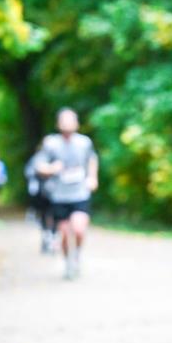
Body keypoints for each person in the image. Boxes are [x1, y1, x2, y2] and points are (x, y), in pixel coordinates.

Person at [35, 108, 99, 279]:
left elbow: (92, 159)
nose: (67, 123)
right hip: (59, 196)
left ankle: (76, 254)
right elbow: (39, 165)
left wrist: (92, 178)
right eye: (64, 120)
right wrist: (51, 168)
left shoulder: (84, 142)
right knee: (64, 234)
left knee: (79, 229)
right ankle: (68, 263)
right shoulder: (51, 143)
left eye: (71, 120)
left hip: (80, 194)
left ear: (77, 123)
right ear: (58, 124)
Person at [24, 145, 56, 253]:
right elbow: (29, 172)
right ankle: (46, 236)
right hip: (42, 193)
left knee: (54, 216)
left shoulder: (59, 157)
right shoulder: (37, 158)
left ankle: (52, 237)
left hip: (57, 194)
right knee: (44, 214)